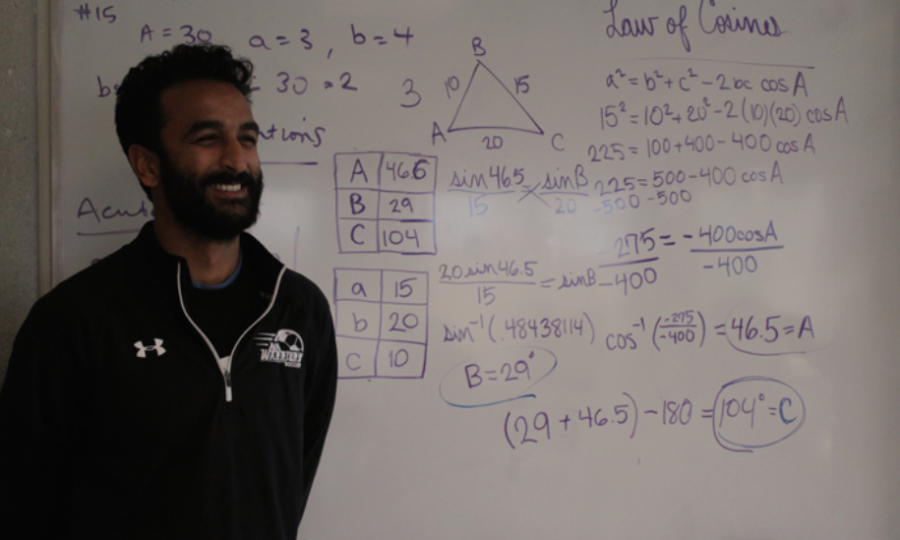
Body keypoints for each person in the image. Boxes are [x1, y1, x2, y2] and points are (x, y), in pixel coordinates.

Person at [0, 44, 338, 540]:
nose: (236, 159)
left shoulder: (299, 310)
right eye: (208, 138)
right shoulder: (75, 320)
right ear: (148, 165)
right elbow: (22, 503)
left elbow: (292, 479)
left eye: (247, 138)